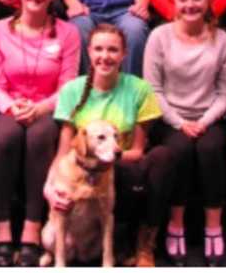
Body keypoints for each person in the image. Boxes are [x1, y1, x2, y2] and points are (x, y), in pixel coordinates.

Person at [47, 23, 173, 266]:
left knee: (163, 157)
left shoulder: (139, 89)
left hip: (121, 168)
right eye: (99, 49)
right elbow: (64, 151)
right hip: (82, 170)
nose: (105, 56)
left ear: (124, 54)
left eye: (113, 50)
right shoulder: (72, 90)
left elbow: (137, 151)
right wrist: (49, 186)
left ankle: (145, 243)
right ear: (89, 52)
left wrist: (106, 158)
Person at [0, 0, 80, 266]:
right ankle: (1, 225)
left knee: (41, 136)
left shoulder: (68, 34)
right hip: (9, 105)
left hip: (48, 106)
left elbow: (68, 87)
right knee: (7, 137)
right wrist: (13, 107)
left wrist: (40, 107)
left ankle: (32, 226)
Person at [144, 0, 226, 266]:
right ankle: (176, 225)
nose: (190, 4)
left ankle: (213, 226)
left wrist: (205, 121)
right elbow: (153, 88)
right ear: (174, 3)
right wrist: (180, 122)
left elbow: (225, 93)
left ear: (208, 1)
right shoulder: (159, 36)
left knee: (209, 149)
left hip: (210, 116)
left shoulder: (223, 40)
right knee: (180, 149)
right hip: (171, 118)